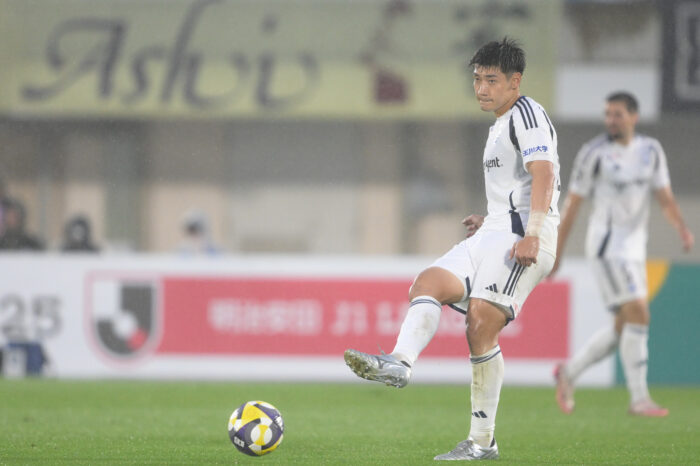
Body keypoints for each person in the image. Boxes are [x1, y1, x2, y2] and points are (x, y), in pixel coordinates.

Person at [344, 38, 561, 460]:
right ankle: (400, 362)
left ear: (515, 81)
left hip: (523, 235)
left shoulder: (527, 113)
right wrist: (491, 217)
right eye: (477, 79)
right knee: (428, 283)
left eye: (491, 80)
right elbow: (516, 185)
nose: (481, 88)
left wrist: (532, 231)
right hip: (497, 229)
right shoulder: (500, 123)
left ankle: (482, 442)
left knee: (480, 323)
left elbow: (544, 172)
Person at [551, 92, 694, 417]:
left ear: (633, 117)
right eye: (607, 114)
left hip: (634, 250)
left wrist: (682, 228)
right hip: (607, 247)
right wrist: (557, 251)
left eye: (617, 114)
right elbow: (572, 204)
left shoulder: (651, 151)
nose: (611, 120)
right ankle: (639, 398)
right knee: (639, 313)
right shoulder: (594, 154)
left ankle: (569, 373)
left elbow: (664, 197)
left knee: (622, 328)